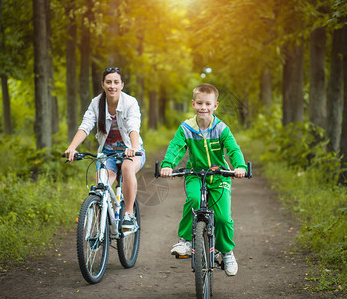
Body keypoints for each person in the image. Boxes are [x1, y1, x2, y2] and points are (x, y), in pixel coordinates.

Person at [160, 83, 246, 276]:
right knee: (194, 201)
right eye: (199, 103)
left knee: (223, 218)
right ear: (193, 104)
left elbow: (233, 148)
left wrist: (239, 166)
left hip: (219, 176)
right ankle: (185, 241)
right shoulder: (186, 128)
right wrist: (167, 164)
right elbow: (176, 146)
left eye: (208, 103)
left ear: (215, 106)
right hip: (195, 174)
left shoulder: (221, 129)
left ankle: (226, 252)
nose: (203, 107)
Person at [65, 67, 145, 230]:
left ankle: (128, 214)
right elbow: (85, 126)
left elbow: (133, 127)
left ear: (122, 85)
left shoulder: (130, 102)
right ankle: (97, 219)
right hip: (107, 153)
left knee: (127, 168)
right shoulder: (96, 103)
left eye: (116, 82)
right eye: (108, 82)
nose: (112, 86)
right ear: (102, 84)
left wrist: (134, 147)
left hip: (130, 150)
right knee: (102, 186)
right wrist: (72, 147)